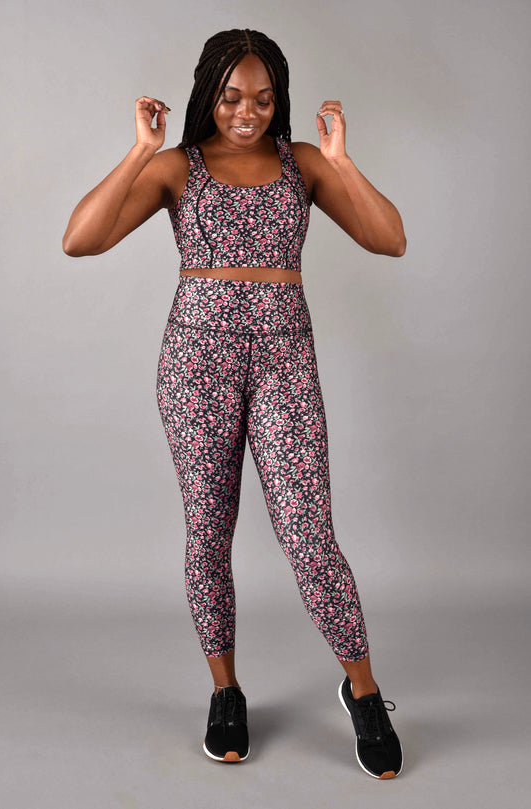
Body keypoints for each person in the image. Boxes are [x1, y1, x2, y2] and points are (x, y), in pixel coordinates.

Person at [62, 28, 407, 779]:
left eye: (262, 98)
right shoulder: (176, 167)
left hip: (285, 363)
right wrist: (138, 151)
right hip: (197, 367)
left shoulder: (302, 164)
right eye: (229, 97)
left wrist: (344, 163)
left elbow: (390, 241)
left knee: (310, 534)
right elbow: (79, 241)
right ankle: (225, 691)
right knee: (208, 533)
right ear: (207, 96)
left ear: (278, 100)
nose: (246, 112)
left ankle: (363, 690)